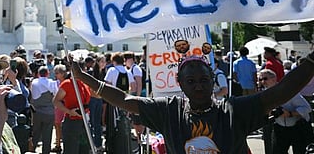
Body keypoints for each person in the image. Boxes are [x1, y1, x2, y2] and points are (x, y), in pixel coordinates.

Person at [71, 50, 314, 153]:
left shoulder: (233, 110)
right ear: (180, 83)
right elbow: (124, 98)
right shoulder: (169, 110)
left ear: (212, 80)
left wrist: (311, 61)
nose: (198, 85)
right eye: (191, 81)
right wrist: (83, 78)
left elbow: (282, 91)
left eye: (203, 79)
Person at [259, 69, 313, 154]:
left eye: (265, 79)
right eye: (260, 79)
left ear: (274, 79)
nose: (262, 82)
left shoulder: (288, 91)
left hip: (297, 127)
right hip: (279, 127)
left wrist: (290, 113)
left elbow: (307, 108)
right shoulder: (264, 94)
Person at [53, 63, 91, 154]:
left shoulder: (85, 84)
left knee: (84, 150)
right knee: (71, 150)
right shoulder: (67, 84)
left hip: (84, 122)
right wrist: (69, 111)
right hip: (72, 122)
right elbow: (56, 101)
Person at [30, 66, 58, 154]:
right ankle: (46, 152)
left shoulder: (34, 82)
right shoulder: (52, 83)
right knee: (47, 134)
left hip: (36, 112)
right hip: (49, 112)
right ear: (48, 74)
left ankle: (31, 150)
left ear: (38, 74)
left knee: (36, 133)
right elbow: (56, 95)